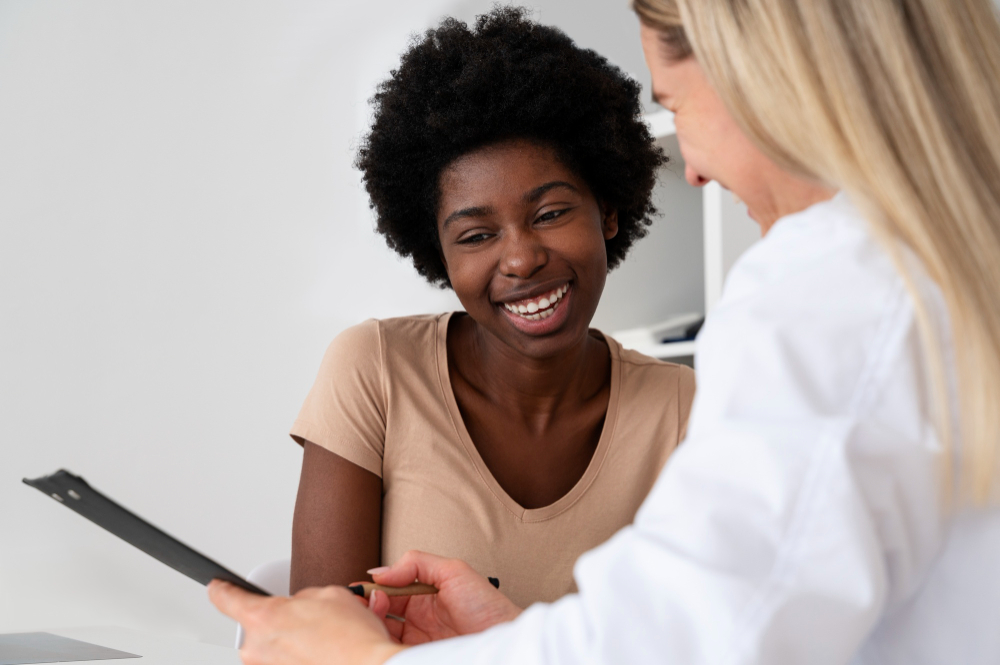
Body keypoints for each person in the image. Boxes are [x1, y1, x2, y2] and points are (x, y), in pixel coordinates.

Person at [210, 0, 1000, 662]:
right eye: (476, 233)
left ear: (759, 76)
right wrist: (515, 637)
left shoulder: (828, 292)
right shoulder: (925, 274)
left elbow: (708, 632)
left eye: (679, 104)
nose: (690, 167)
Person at [286, 6, 695, 611]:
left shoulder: (684, 411)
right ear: (440, 255)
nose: (522, 259)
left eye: (550, 214)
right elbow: (325, 638)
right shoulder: (374, 371)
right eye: (477, 236)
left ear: (607, 211)